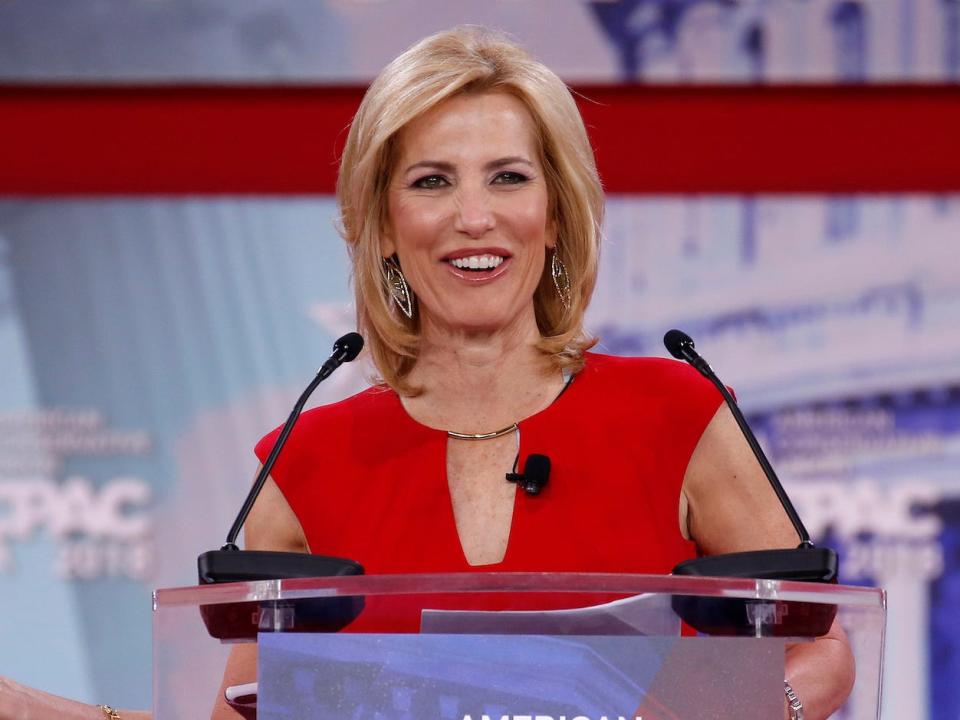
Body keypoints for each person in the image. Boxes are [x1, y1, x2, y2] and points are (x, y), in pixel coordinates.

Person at [0, 26, 853, 720]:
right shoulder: (302, 466)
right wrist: (40, 711)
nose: (473, 217)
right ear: (381, 224)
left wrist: (712, 717)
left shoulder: (678, 414)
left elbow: (821, 648)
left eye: (509, 178)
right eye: (432, 181)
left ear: (555, 215)